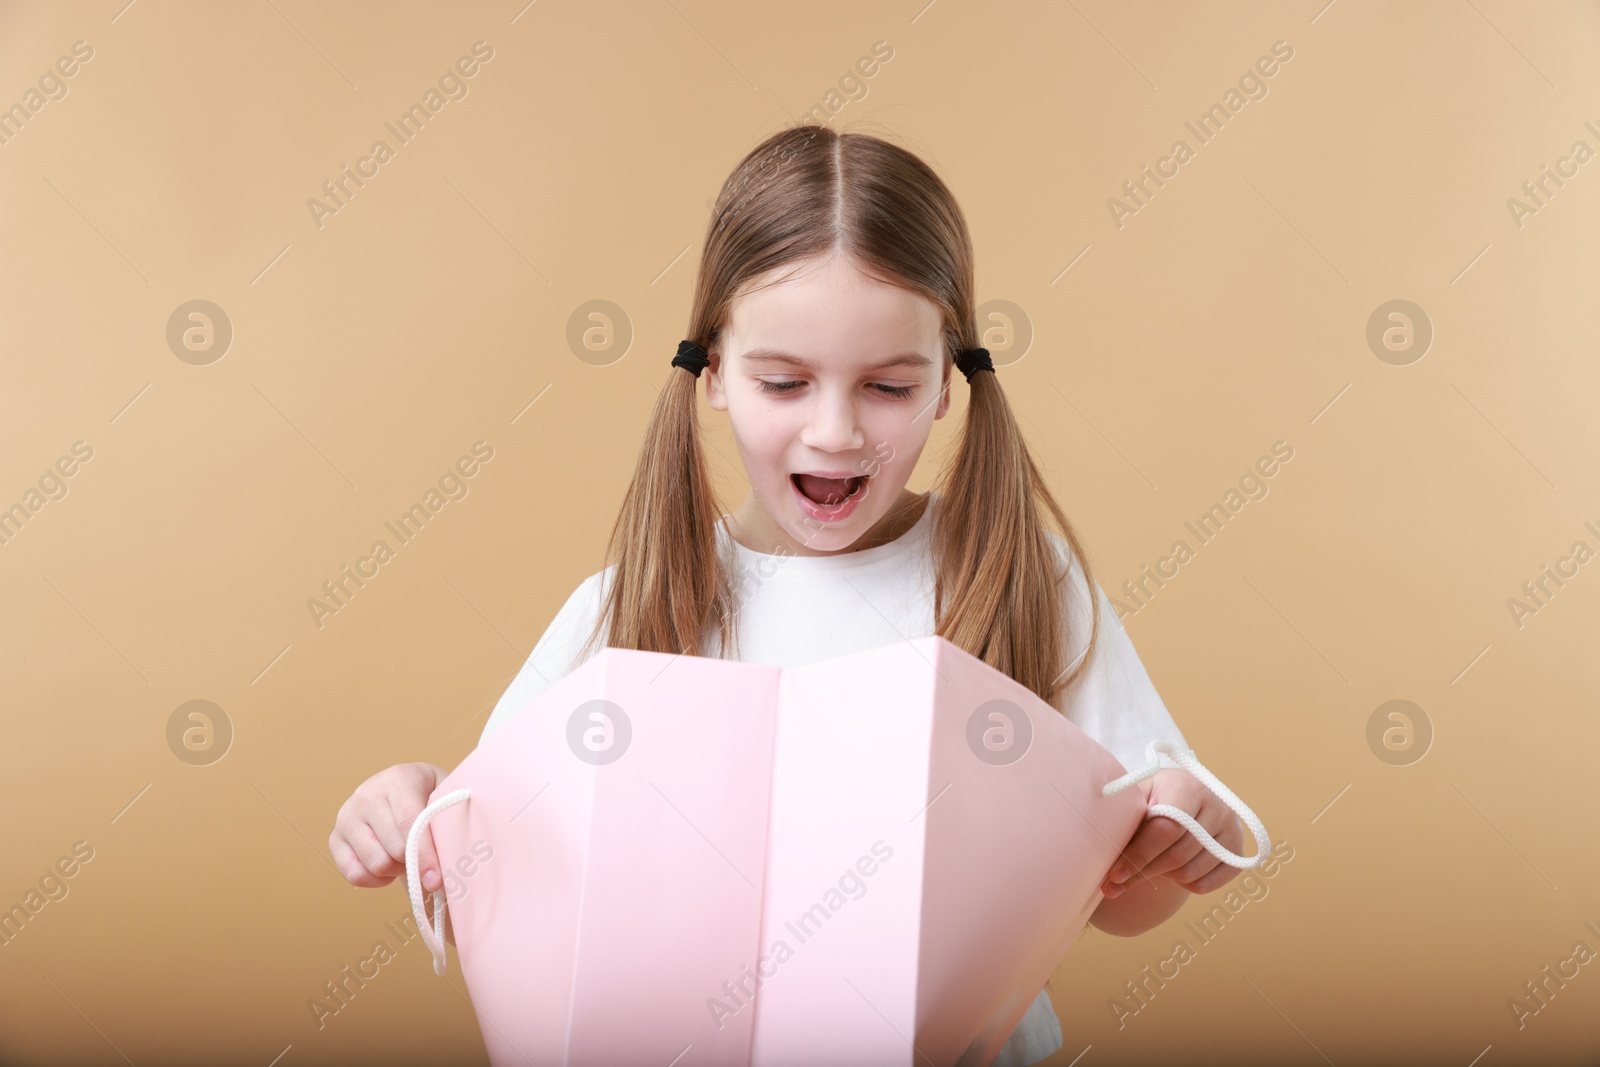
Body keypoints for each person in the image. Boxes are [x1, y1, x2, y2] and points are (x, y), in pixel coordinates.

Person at [330, 123, 1246, 1066]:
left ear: (945, 387)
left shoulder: (1019, 579)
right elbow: (491, 859)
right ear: (715, 373)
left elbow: (1124, 901)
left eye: (889, 385)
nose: (836, 431)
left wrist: (1177, 836)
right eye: (784, 381)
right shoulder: (636, 602)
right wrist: (411, 804)